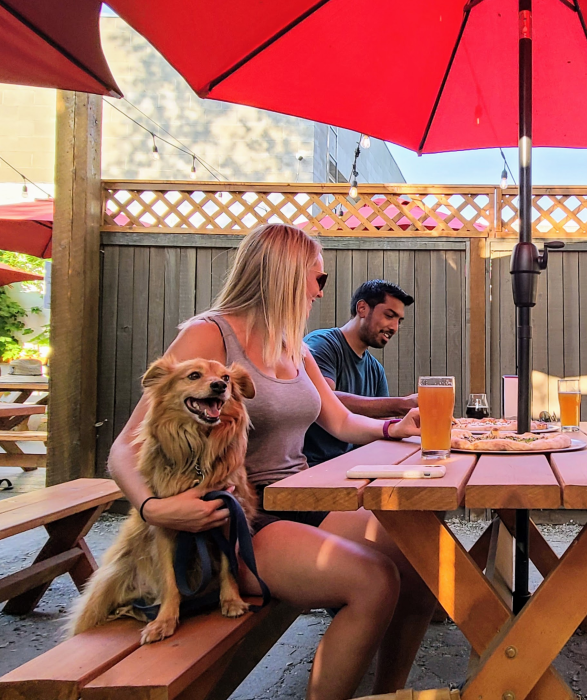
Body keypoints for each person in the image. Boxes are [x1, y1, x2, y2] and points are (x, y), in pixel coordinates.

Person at [106, 224, 437, 700]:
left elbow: (340, 421)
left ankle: (387, 692)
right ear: (283, 275)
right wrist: (151, 508)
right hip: (245, 515)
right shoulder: (210, 334)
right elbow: (124, 448)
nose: (321, 293)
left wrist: (394, 427)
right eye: (317, 280)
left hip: (303, 495)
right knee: (375, 582)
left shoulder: (293, 344)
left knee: (424, 558)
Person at [303, 279, 418, 466]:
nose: (394, 328)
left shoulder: (375, 369)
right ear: (362, 308)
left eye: (399, 321)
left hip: (357, 466)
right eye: (389, 316)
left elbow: (384, 426)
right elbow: (322, 399)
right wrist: (402, 404)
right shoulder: (322, 344)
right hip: (314, 467)